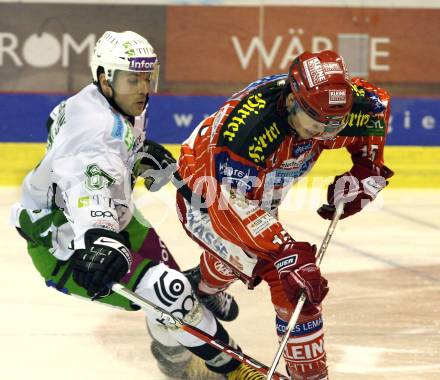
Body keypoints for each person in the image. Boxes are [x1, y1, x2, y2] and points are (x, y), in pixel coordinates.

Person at [10, 30, 262, 380]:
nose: (144, 88)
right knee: (173, 297)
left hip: (121, 218)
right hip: (66, 244)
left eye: (147, 77)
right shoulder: (94, 133)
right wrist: (101, 237)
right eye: (133, 79)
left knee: (173, 296)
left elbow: (55, 121)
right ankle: (234, 371)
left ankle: (171, 352)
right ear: (104, 78)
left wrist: (136, 157)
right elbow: (88, 186)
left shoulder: (110, 101)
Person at [175, 50, 394, 380]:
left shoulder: (334, 109)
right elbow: (227, 208)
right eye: (317, 122)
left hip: (259, 189)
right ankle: (309, 374)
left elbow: (378, 106)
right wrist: (286, 253)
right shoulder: (248, 130)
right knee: (292, 280)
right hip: (206, 195)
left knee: (253, 259)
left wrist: (367, 166)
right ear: (294, 99)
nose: (325, 134)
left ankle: (201, 288)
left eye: (335, 125)